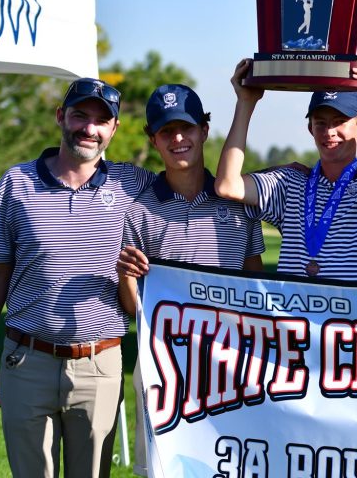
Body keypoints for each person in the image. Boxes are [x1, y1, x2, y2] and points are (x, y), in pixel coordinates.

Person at [0, 77, 155, 477]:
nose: (89, 128)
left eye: (100, 121)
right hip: (26, 361)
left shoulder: (133, 183)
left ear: (114, 129)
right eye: (79, 116)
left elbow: (192, 185)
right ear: (60, 117)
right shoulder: (16, 182)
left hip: (100, 365)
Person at [114, 83, 266, 476]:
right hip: (165, 368)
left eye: (186, 128)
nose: (178, 139)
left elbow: (254, 282)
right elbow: (134, 307)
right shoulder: (138, 210)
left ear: (204, 130)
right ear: (153, 140)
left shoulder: (236, 202)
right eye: (166, 131)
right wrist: (125, 276)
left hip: (232, 367)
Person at [215, 58, 357, 281]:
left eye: (340, 121)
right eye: (321, 122)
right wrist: (245, 102)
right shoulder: (290, 182)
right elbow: (227, 185)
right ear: (310, 128)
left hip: (347, 314)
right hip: (291, 312)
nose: (329, 131)